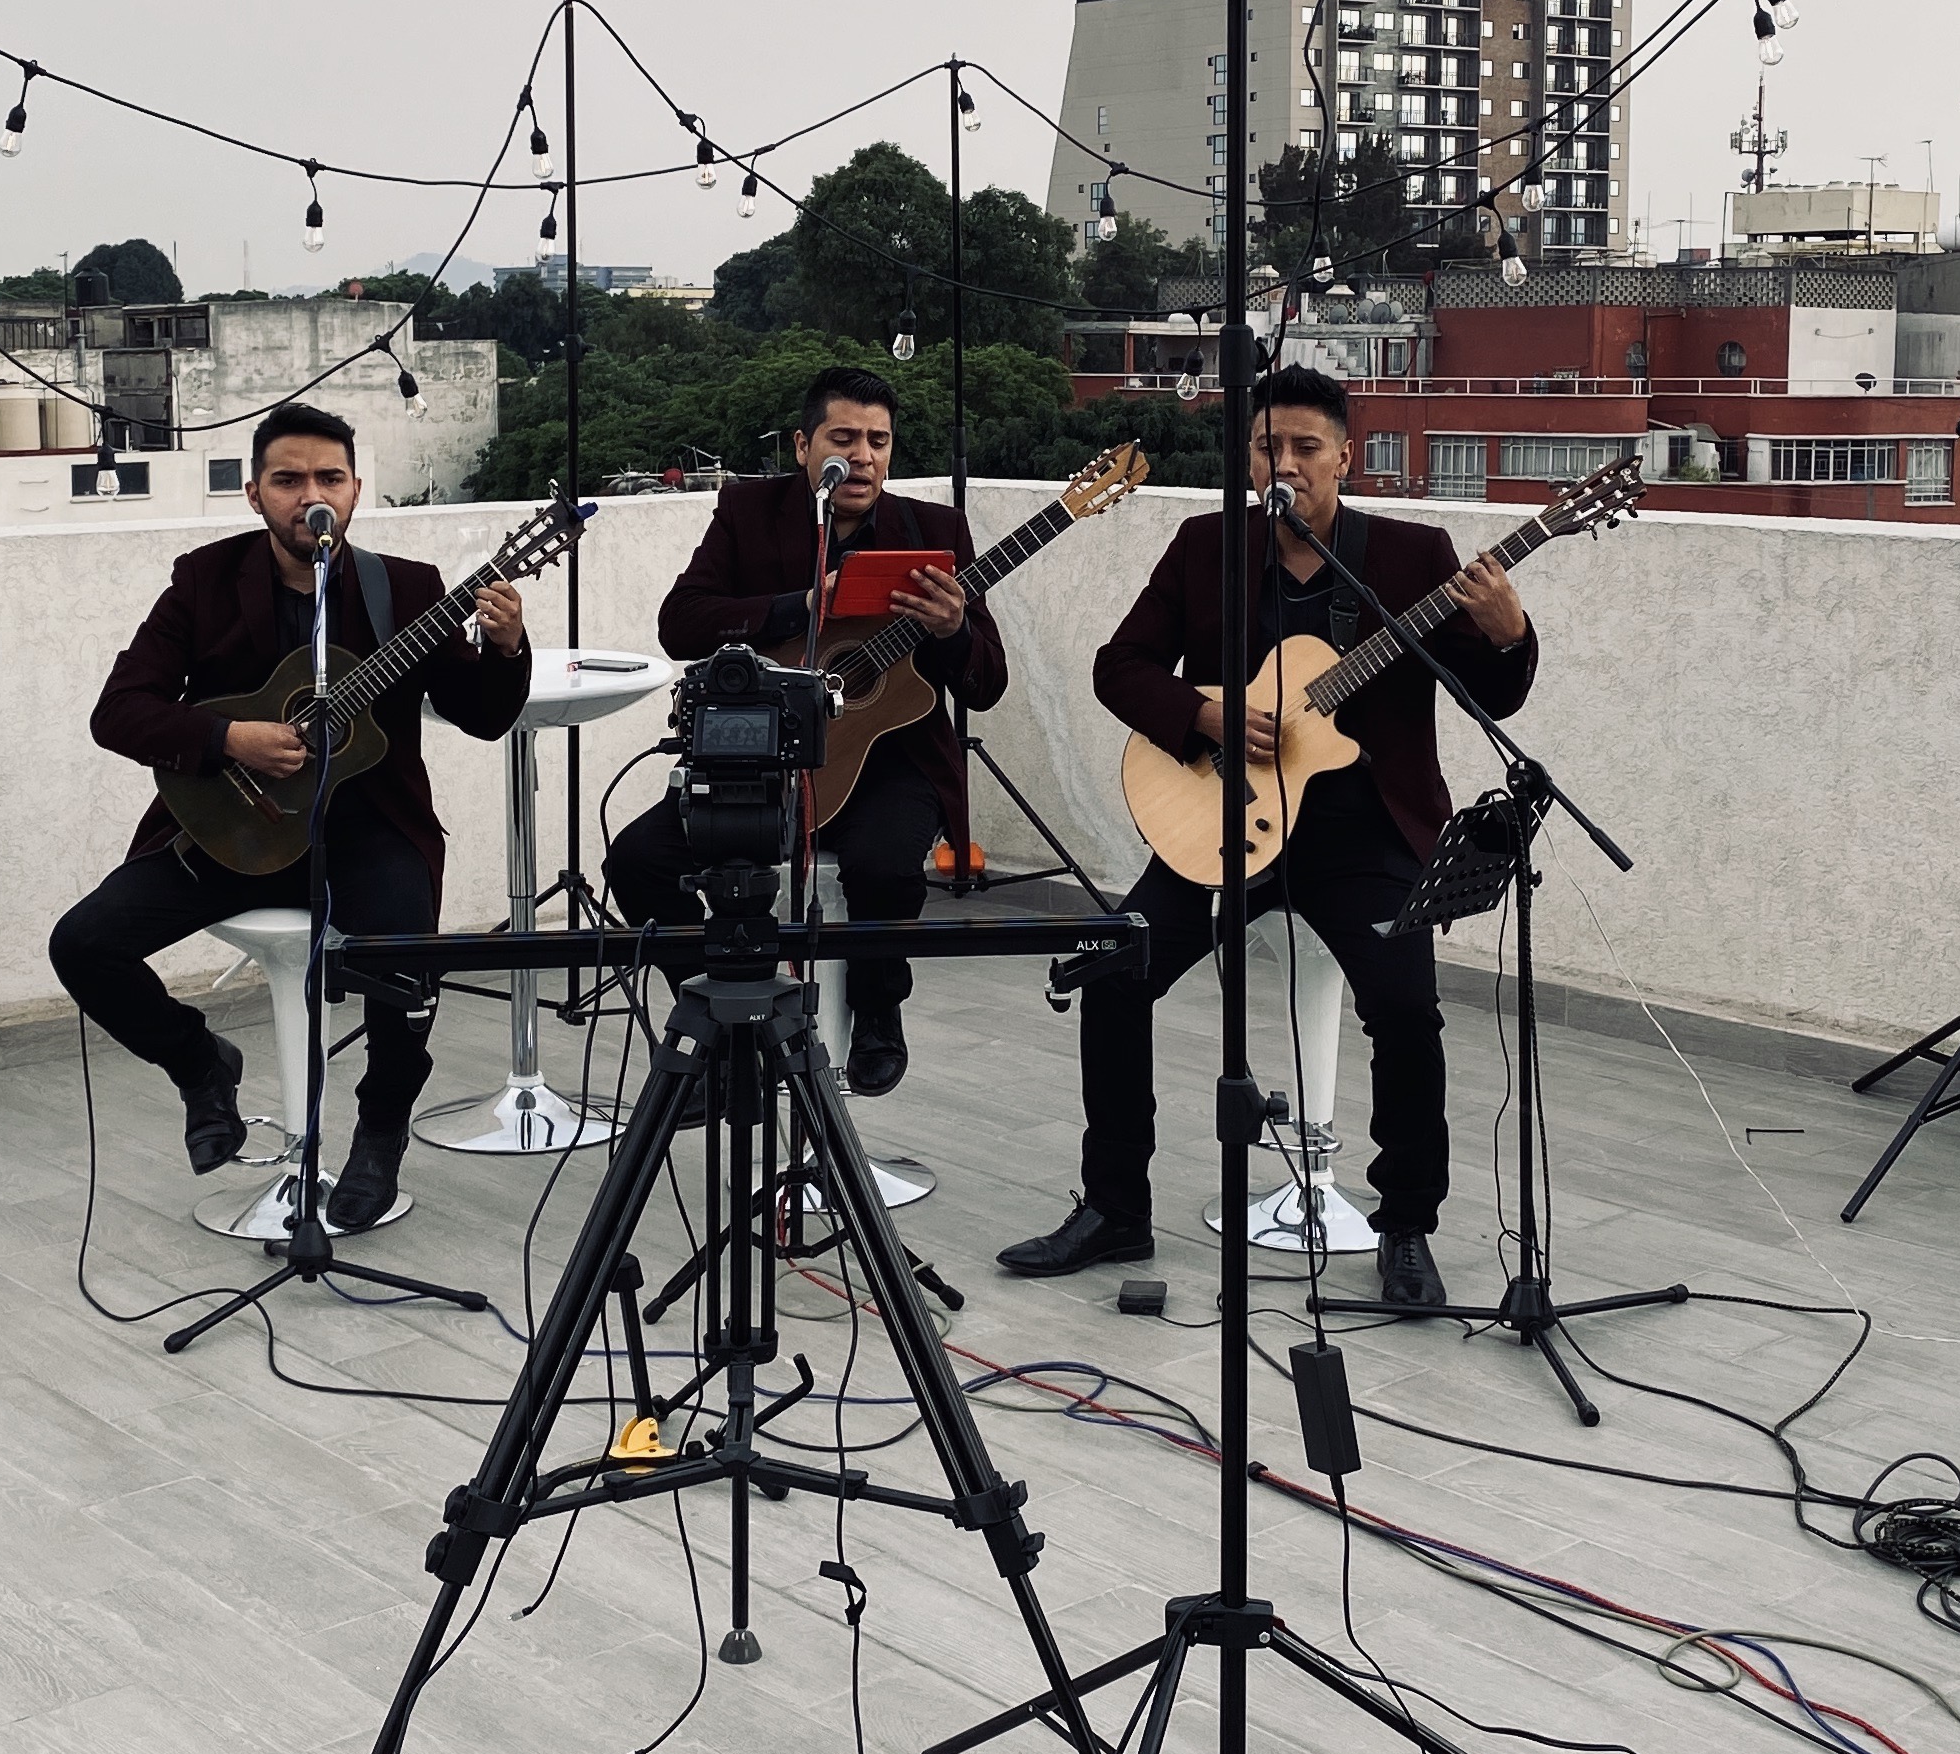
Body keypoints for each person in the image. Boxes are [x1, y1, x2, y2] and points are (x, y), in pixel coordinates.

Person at [999, 363, 1535, 1307]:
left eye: (1305, 448)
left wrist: (1508, 632)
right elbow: (1119, 666)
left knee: (1406, 1011)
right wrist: (1202, 716)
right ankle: (1115, 1207)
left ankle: (1405, 1226)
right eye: (1266, 447)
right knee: (1115, 974)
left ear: (1345, 458)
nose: (1285, 464)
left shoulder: (1411, 557)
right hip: (1222, 821)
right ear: (1248, 457)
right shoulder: (1206, 546)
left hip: (1362, 834)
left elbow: (1490, 697)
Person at [52, 405, 530, 1228]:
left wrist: (508, 646)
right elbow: (118, 711)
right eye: (289, 480)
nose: (312, 496)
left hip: (370, 828)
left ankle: (379, 1131)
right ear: (255, 494)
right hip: (236, 824)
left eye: (329, 479)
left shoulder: (406, 589)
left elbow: (484, 718)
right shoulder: (203, 582)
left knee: (407, 967)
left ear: (355, 491)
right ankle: (200, 1063)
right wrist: (227, 737)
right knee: (84, 944)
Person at [604, 365, 1004, 1096]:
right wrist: (800, 606)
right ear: (802, 445)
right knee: (638, 860)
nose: (864, 457)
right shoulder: (747, 512)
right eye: (843, 438)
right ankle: (717, 1017)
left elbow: (987, 683)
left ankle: (878, 1008)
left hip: (890, 758)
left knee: (884, 868)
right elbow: (680, 624)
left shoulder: (933, 530)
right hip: (758, 755)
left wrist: (952, 632)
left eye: (878, 441)